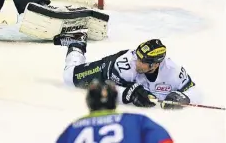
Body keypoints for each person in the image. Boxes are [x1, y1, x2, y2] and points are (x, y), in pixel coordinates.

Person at [55, 32, 200, 109]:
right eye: (137, 57)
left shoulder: (174, 71)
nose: (137, 62)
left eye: (142, 61)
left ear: (155, 65)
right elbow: (107, 89)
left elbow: (194, 90)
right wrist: (128, 94)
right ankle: (77, 42)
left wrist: (183, 97)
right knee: (69, 78)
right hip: (109, 69)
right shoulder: (125, 66)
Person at [56, 79, 174, 143]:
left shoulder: (74, 128)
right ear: (114, 99)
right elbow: (164, 140)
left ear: (89, 101)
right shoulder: (137, 121)